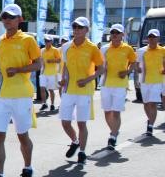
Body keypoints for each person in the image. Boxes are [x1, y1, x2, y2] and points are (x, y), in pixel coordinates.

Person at [0, 4, 42, 177]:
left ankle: (27, 168)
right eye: (4, 17)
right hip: (2, 95)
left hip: (22, 94)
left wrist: (18, 70)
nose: (7, 20)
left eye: (11, 17)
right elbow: (0, 66)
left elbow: (37, 65)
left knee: (22, 136)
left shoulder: (28, 40)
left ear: (20, 19)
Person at [59, 16, 104, 165]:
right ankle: (75, 141)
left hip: (85, 91)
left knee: (81, 124)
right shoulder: (66, 47)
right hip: (68, 90)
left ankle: (83, 152)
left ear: (86, 30)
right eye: (75, 27)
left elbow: (101, 68)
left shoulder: (92, 48)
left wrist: (87, 80)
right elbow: (65, 65)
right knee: (65, 122)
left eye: (80, 28)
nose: (77, 30)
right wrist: (63, 78)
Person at [100, 23, 137, 148]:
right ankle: (114, 130)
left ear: (122, 35)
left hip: (120, 84)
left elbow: (133, 63)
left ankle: (113, 136)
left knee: (116, 112)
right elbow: (100, 65)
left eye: (117, 33)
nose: (114, 35)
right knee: (107, 112)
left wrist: (127, 72)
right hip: (105, 83)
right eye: (113, 33)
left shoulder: (128, 49)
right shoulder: (104, 49)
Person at [137, 29, 165, 135]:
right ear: (147, 38)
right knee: (146, 103)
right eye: (150, 37)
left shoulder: (163, 50)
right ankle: (150, 119)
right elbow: (136, 63)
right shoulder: (141, 51)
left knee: (152, 103)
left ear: (158, 38)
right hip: (144, 80)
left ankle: (150, 126)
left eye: (154, 37)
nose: (152, 39)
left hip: (157, 80)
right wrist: (137, 68)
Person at [39, 35, 62, 112]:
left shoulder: (55, 50)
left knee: (51, 90)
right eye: (45, 41)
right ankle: (44, 104)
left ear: (51, 42)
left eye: (48, 41)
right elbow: (41, 60)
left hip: (52, 73)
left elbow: (59, 60)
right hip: (43, 72)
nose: (46, 42)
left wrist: (51, 61)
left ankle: (52, 104)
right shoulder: (42, 50)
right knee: (42, 88)